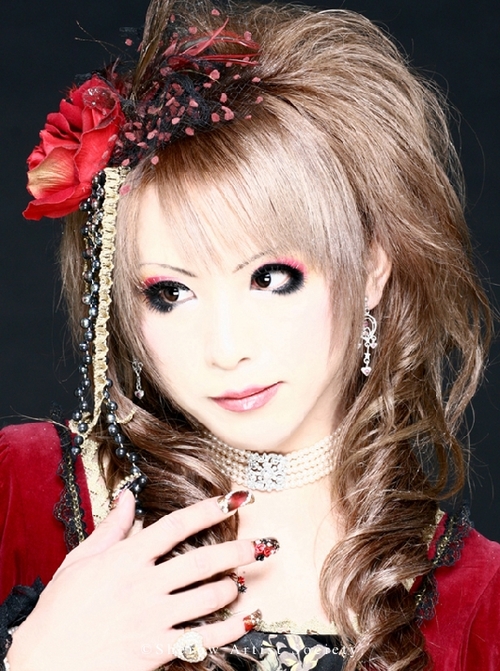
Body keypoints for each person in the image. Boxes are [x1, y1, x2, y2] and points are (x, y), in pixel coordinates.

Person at [1, 0, 499, 669]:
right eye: (170, 292)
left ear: (372, 267)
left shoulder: (481, 604)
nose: (225, 348)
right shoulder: (22, 494)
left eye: (271, 277)